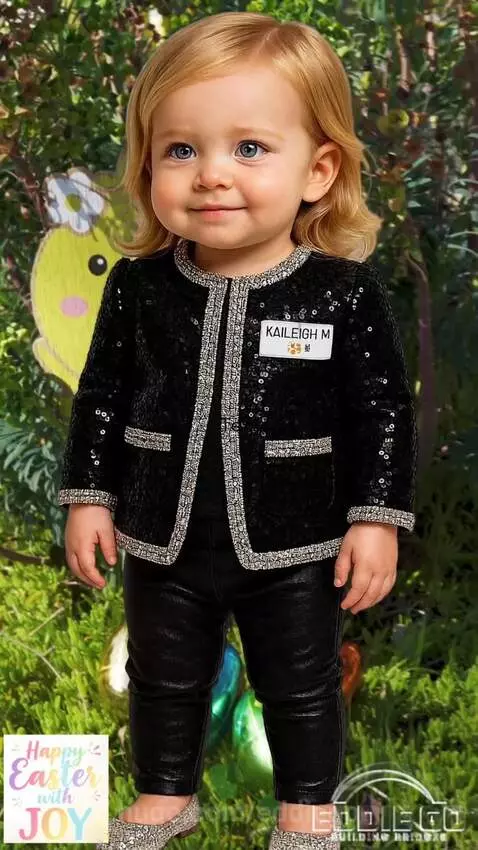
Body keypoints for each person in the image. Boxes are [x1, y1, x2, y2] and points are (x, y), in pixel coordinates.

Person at [57, 11, 418, 849]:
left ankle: (306, 807)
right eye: (181, 150)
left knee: (301, 680)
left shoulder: (340, 294)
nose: (212, 175)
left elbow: (381, 412)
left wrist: (375, 517)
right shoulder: (141, 290)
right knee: (162, 675)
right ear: (149, 166)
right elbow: (103, 396)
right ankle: (165, 793)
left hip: (295, 539)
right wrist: (89, 498)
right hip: (161, 534)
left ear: (318, 169)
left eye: (249, 149)